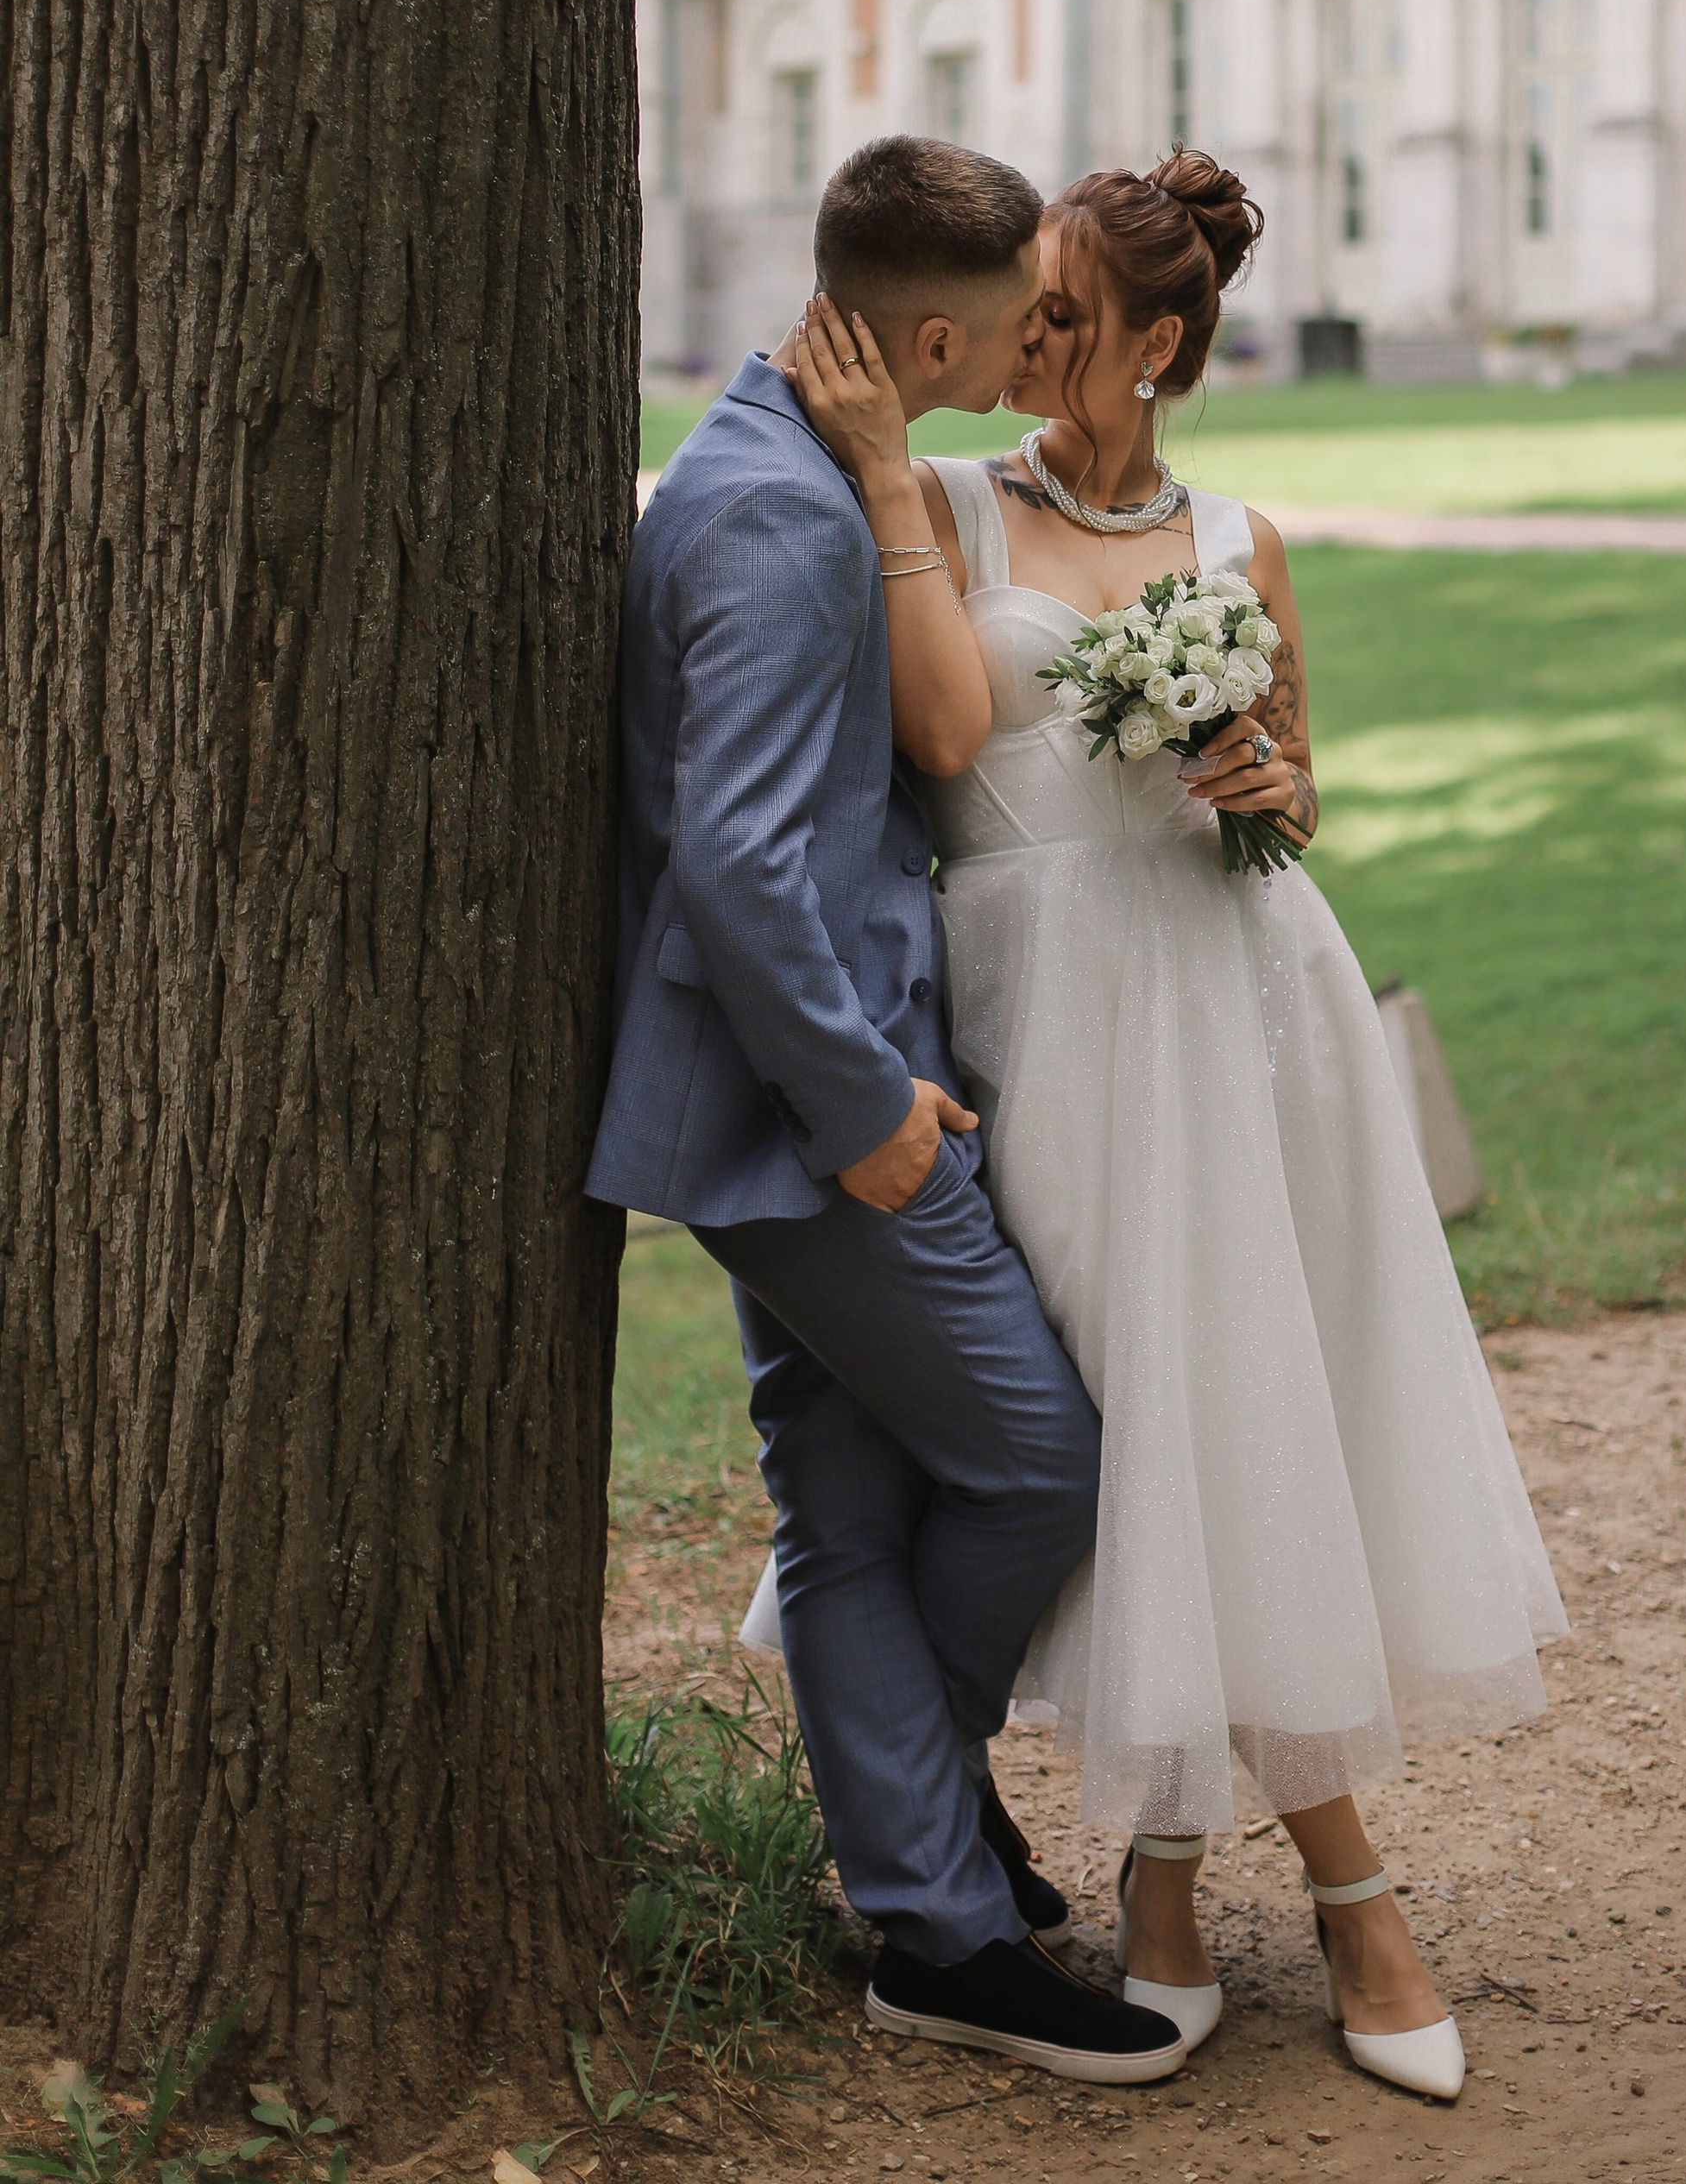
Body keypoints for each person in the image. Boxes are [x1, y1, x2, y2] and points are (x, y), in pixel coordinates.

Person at [784, 148, 1565, 2105]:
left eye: (1066, 312)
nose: (1033, 338)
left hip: (1245, 1017)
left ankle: (1229, 1880)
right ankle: (1221, 1870)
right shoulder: (948, 501)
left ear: (1158, 341)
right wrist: (891, 476)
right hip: (1056, 1033)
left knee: (1251, 1412)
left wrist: (1258, 774)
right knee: (1130, 1433)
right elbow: (949, 743)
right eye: (1024, 300)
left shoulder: (1239, 532)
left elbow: (1301, 802)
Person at [588, 136, 1189, 2088]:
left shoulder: (780, 462)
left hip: (797, 1088)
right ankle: (926, 1857)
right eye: (1015, 320)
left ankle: (928, 1914)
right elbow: (747, 868)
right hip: (813, 1111)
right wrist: (867, 1116)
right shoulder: (771, 519)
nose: (1034, 345)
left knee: (844, 1513)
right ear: (930, 329)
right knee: (1038, 1460)